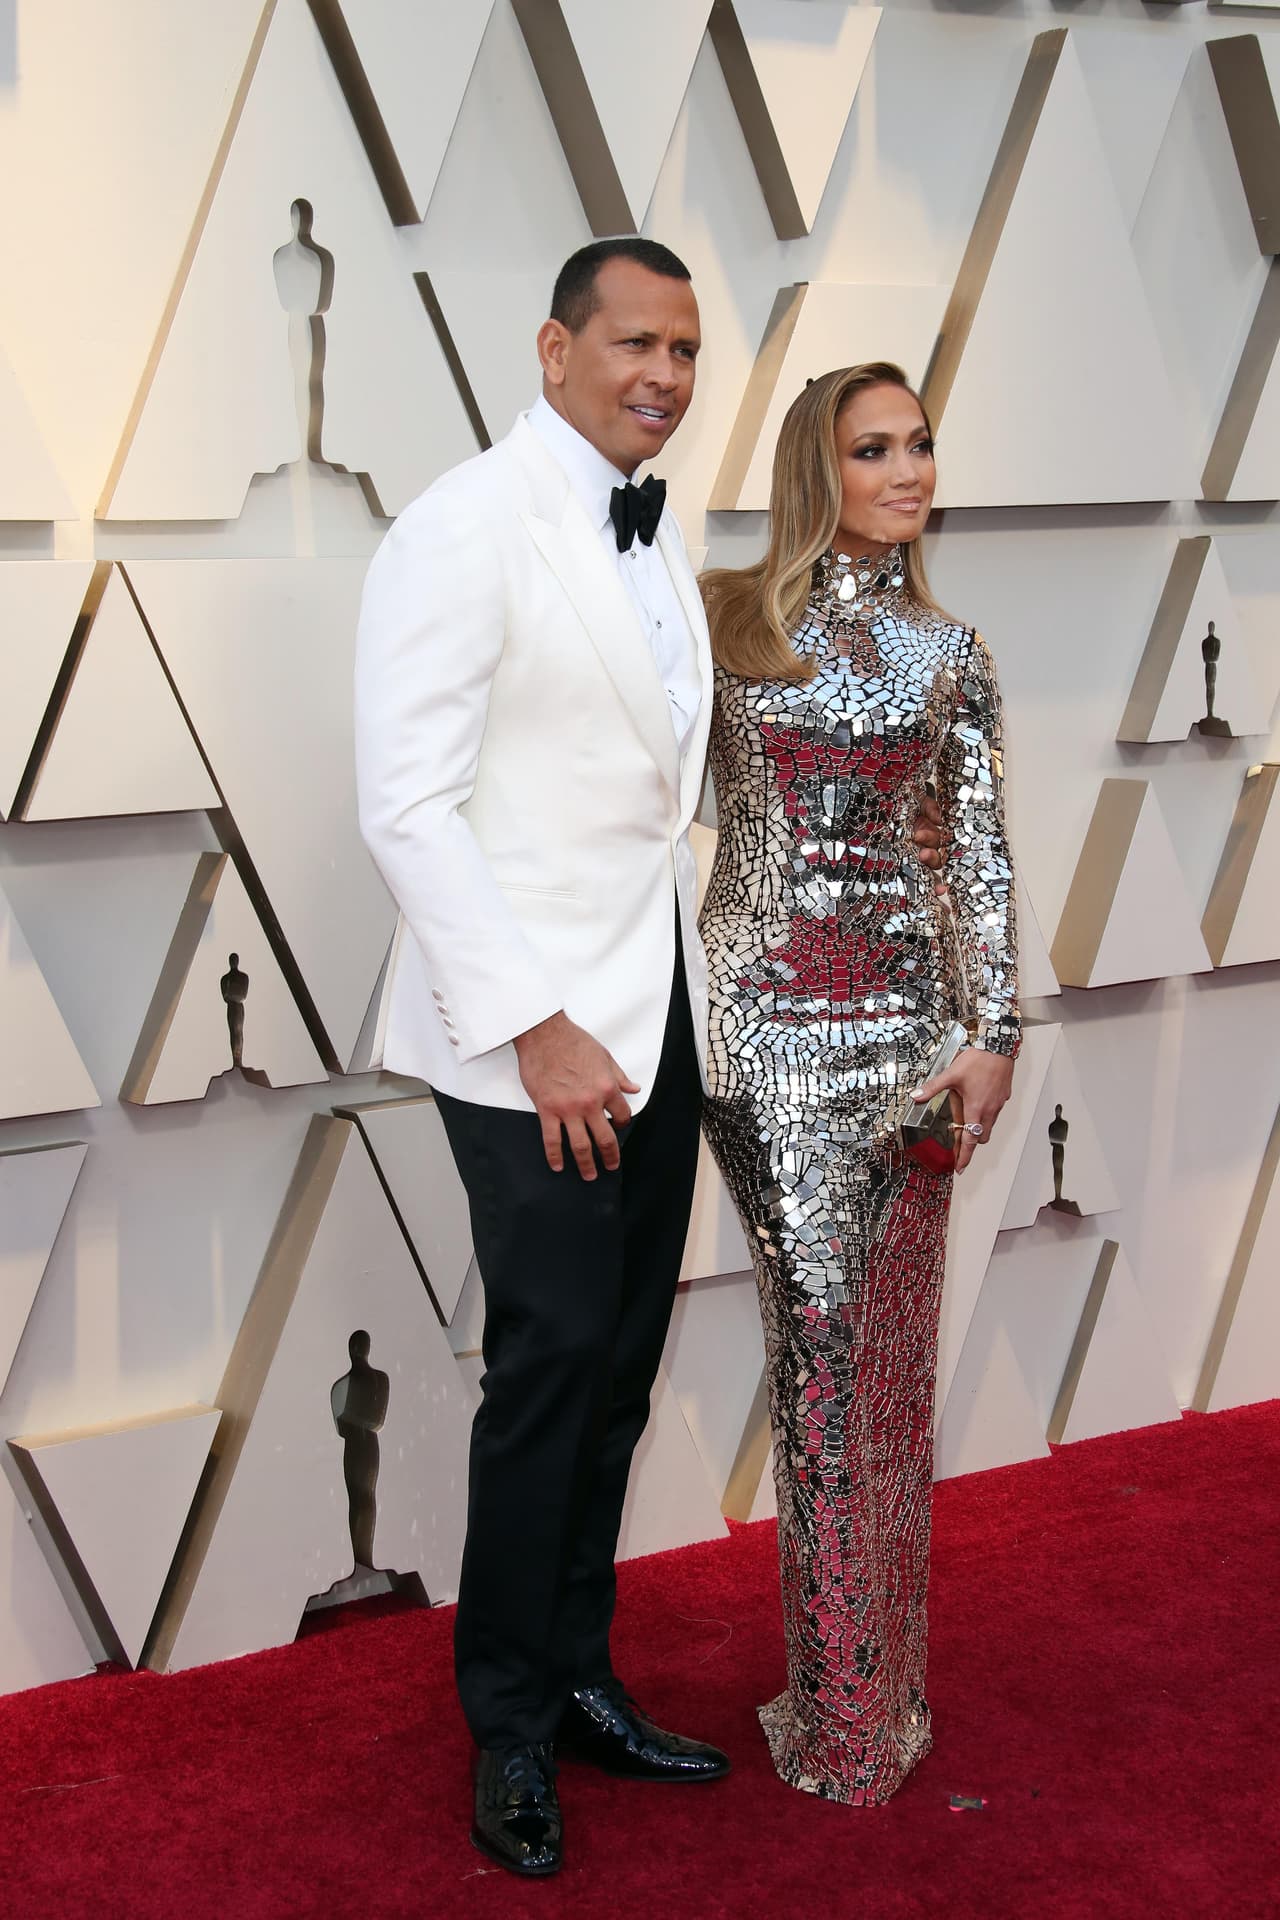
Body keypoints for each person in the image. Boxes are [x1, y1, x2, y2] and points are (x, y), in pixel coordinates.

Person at [355, 248, 947, 1874]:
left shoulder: (654, 526)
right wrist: (535, 1026)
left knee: (613, 1376)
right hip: (528, 1040)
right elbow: (402, 804)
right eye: (636, 343)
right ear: (555, 348)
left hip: (656, 1015)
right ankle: (509, 1735)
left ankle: (578, 1678)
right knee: (547, 1374)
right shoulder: (463, 526)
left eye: (687, 348)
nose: (666, 374)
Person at [698, 363, 1020, 1806]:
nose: (909, 469)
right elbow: (642, 807)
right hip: (763, 1043)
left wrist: (993, 1032)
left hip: (910, 1042)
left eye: (920, 444)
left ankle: (881, 1696)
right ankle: (840, 1725)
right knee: (822, 1371)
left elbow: (974, 856)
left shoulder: (949, 650)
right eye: (875, 447)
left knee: (892, 1373)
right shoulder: (725, 623)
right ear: (816, 468)